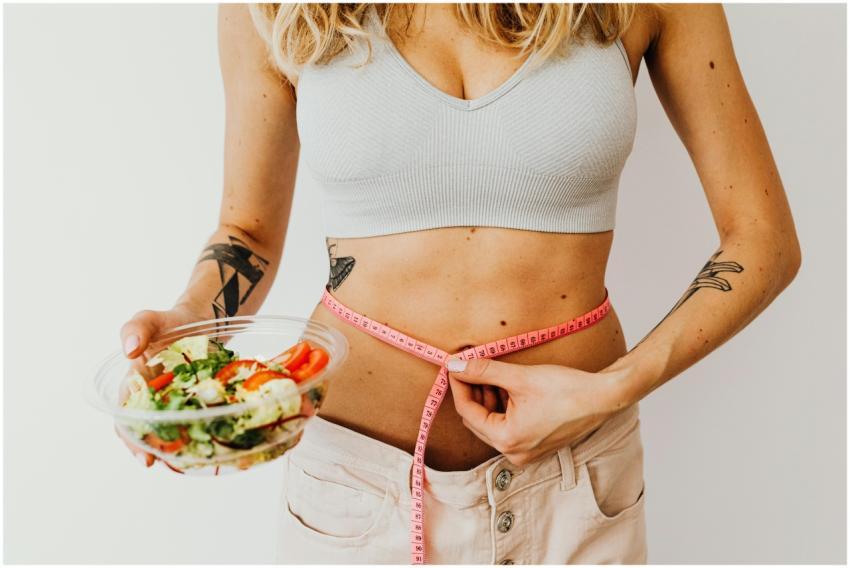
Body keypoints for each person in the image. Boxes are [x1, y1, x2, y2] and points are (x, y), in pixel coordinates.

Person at [119, 3, 801, 564]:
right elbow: (248, 232)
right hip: (354, 490)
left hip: (578, 480)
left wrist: (610, 389)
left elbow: (763, 240)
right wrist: (189, 319)